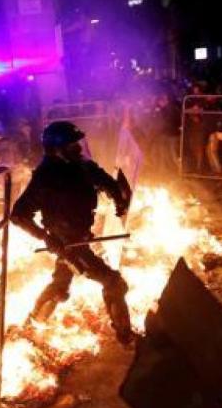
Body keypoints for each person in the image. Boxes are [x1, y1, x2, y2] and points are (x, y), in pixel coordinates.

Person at [11, 121, 134, 346]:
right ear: (56, 149)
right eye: (72, 146)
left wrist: (118, 198)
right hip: (67, 243)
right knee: (115, 284)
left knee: (60, 288)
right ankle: (126, 338)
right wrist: (47, 238)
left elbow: (104, 180)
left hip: (79, 239)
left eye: (78, 144)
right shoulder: (45, 177)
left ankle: (34, 322)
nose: (78, 149)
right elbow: (18, 215)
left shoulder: (80, 165)